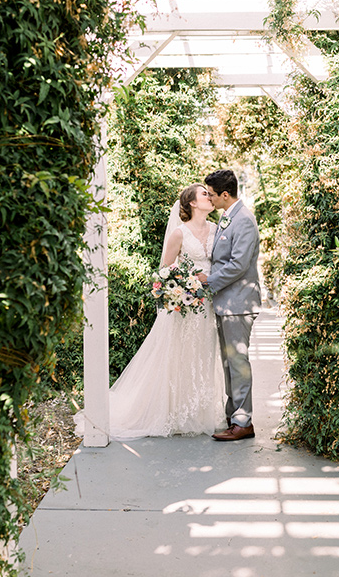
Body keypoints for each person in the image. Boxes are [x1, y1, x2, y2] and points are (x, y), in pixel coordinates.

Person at [96, 183, 224, 440]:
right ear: (192, 203)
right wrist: (185, 288)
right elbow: (166, 273)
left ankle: (198, 411)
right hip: (184, 306)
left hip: (209, 304)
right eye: (204, 194)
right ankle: (174, 412)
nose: (210, 197)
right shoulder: (179, 233)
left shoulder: (217, 230)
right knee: (179, 356)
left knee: (204, 353)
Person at [198, 169, 262, 442]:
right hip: (226, 302)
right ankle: (233, 415)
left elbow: (238, 265)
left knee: (237, 363)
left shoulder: (244, 220)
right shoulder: (228, 216)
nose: (210, 199)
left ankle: (243, 422)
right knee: (228, 363)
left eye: (212, 195)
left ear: (225, 194)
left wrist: (208, 281)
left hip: (239, 303)